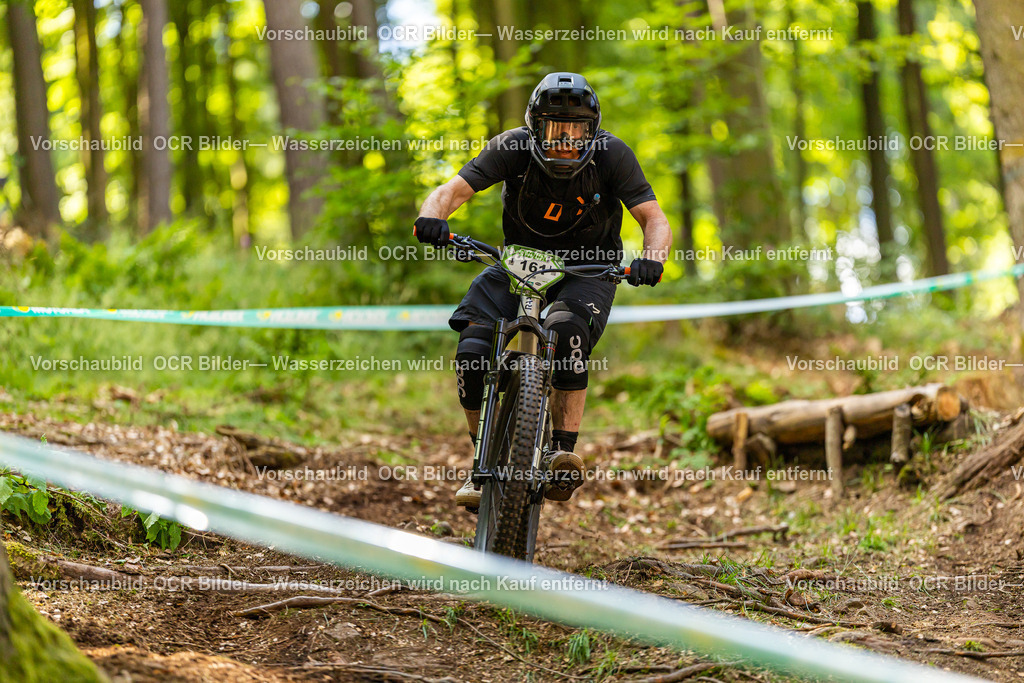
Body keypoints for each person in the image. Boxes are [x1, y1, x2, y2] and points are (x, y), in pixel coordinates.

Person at [414, 72, 671, 508]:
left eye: (578, 129)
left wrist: (654, 258)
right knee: (472, 349)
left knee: (568, 330)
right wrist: (431, 217)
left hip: (588, 269)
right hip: (517, 263)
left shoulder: (613, 154)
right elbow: (451, 192)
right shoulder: (510, 147)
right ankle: (481, 458)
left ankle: (561, 451)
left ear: (593, 130)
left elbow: (653, 217)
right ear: (535, 126)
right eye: (556, 128)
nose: (567, 138)